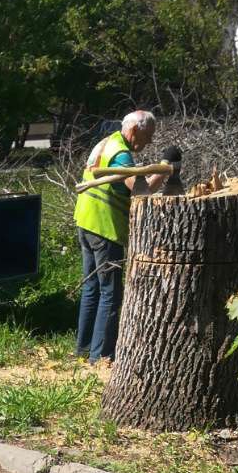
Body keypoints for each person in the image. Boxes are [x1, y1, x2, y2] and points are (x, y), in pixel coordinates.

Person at [73, 110, 168, 364]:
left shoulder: (107, 142)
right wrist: (164, 170)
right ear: (135, 129)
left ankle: (83, 351)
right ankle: (101, 356)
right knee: (111, 293)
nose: (148, 143)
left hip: (85, 222)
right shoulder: (121, 154)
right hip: (105, 229)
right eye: (147, 137)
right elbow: (141, 192)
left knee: (92, 288)